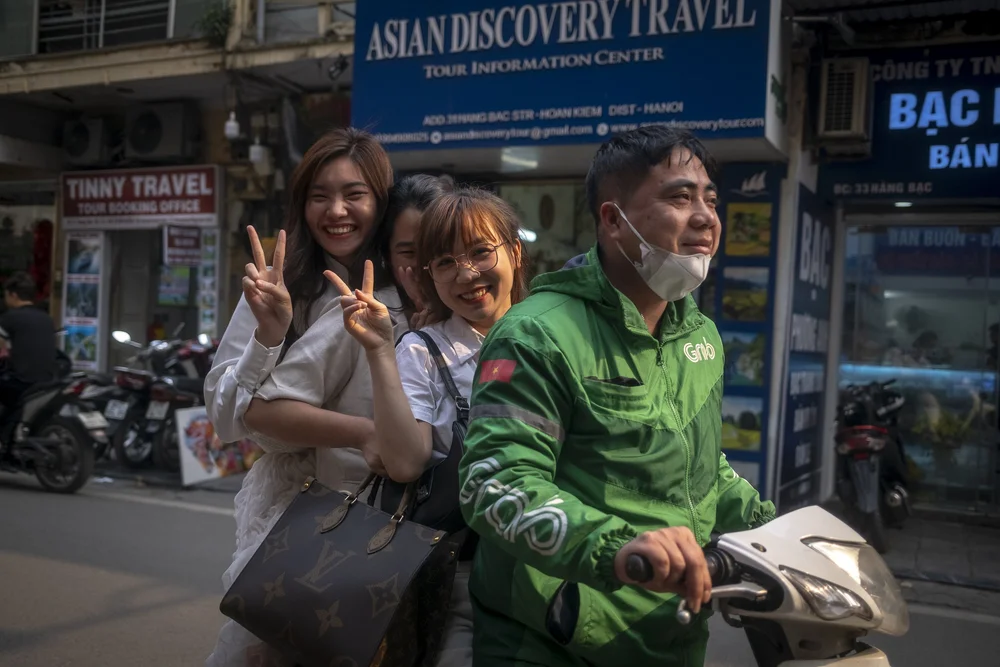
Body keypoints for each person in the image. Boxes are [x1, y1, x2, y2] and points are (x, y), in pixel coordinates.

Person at [456, 127, 776, 667]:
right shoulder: (536, 333)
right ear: (612, 219)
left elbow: (701, 470)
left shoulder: (700, 335)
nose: (706, 218)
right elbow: (495, 483)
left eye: (710, 199)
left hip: (672, 633)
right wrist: (617, 548)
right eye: (680, 198)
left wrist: (772, 528)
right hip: (550, 642)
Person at [203, 127, 402, 667]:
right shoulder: (279, 283)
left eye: (354, 194)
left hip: (386, 512)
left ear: (382, 202)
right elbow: (226, 418)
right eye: (320, 196)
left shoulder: (405, 289)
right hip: (297, 513)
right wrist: (268, 337)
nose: (336, 211)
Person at [327, 187, 528, 667]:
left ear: (515, 253)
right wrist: (380, 350)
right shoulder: (422, 350)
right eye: (445, 262)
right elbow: (404, 463)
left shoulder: (554, 335)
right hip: (459, 580)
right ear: (429, 275)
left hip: (547, 571)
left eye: (481, 252)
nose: (466, 274)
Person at [381, 173, 457, 329]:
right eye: (408, 252)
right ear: (387, 255)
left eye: (436, 250)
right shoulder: (359, 314)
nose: (424, 265)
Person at [0, 272, 56, 412]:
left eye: (6, 295)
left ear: (13, 295)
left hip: (20, 383)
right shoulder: (47, 319)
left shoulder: (9, 318)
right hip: (48, 382)